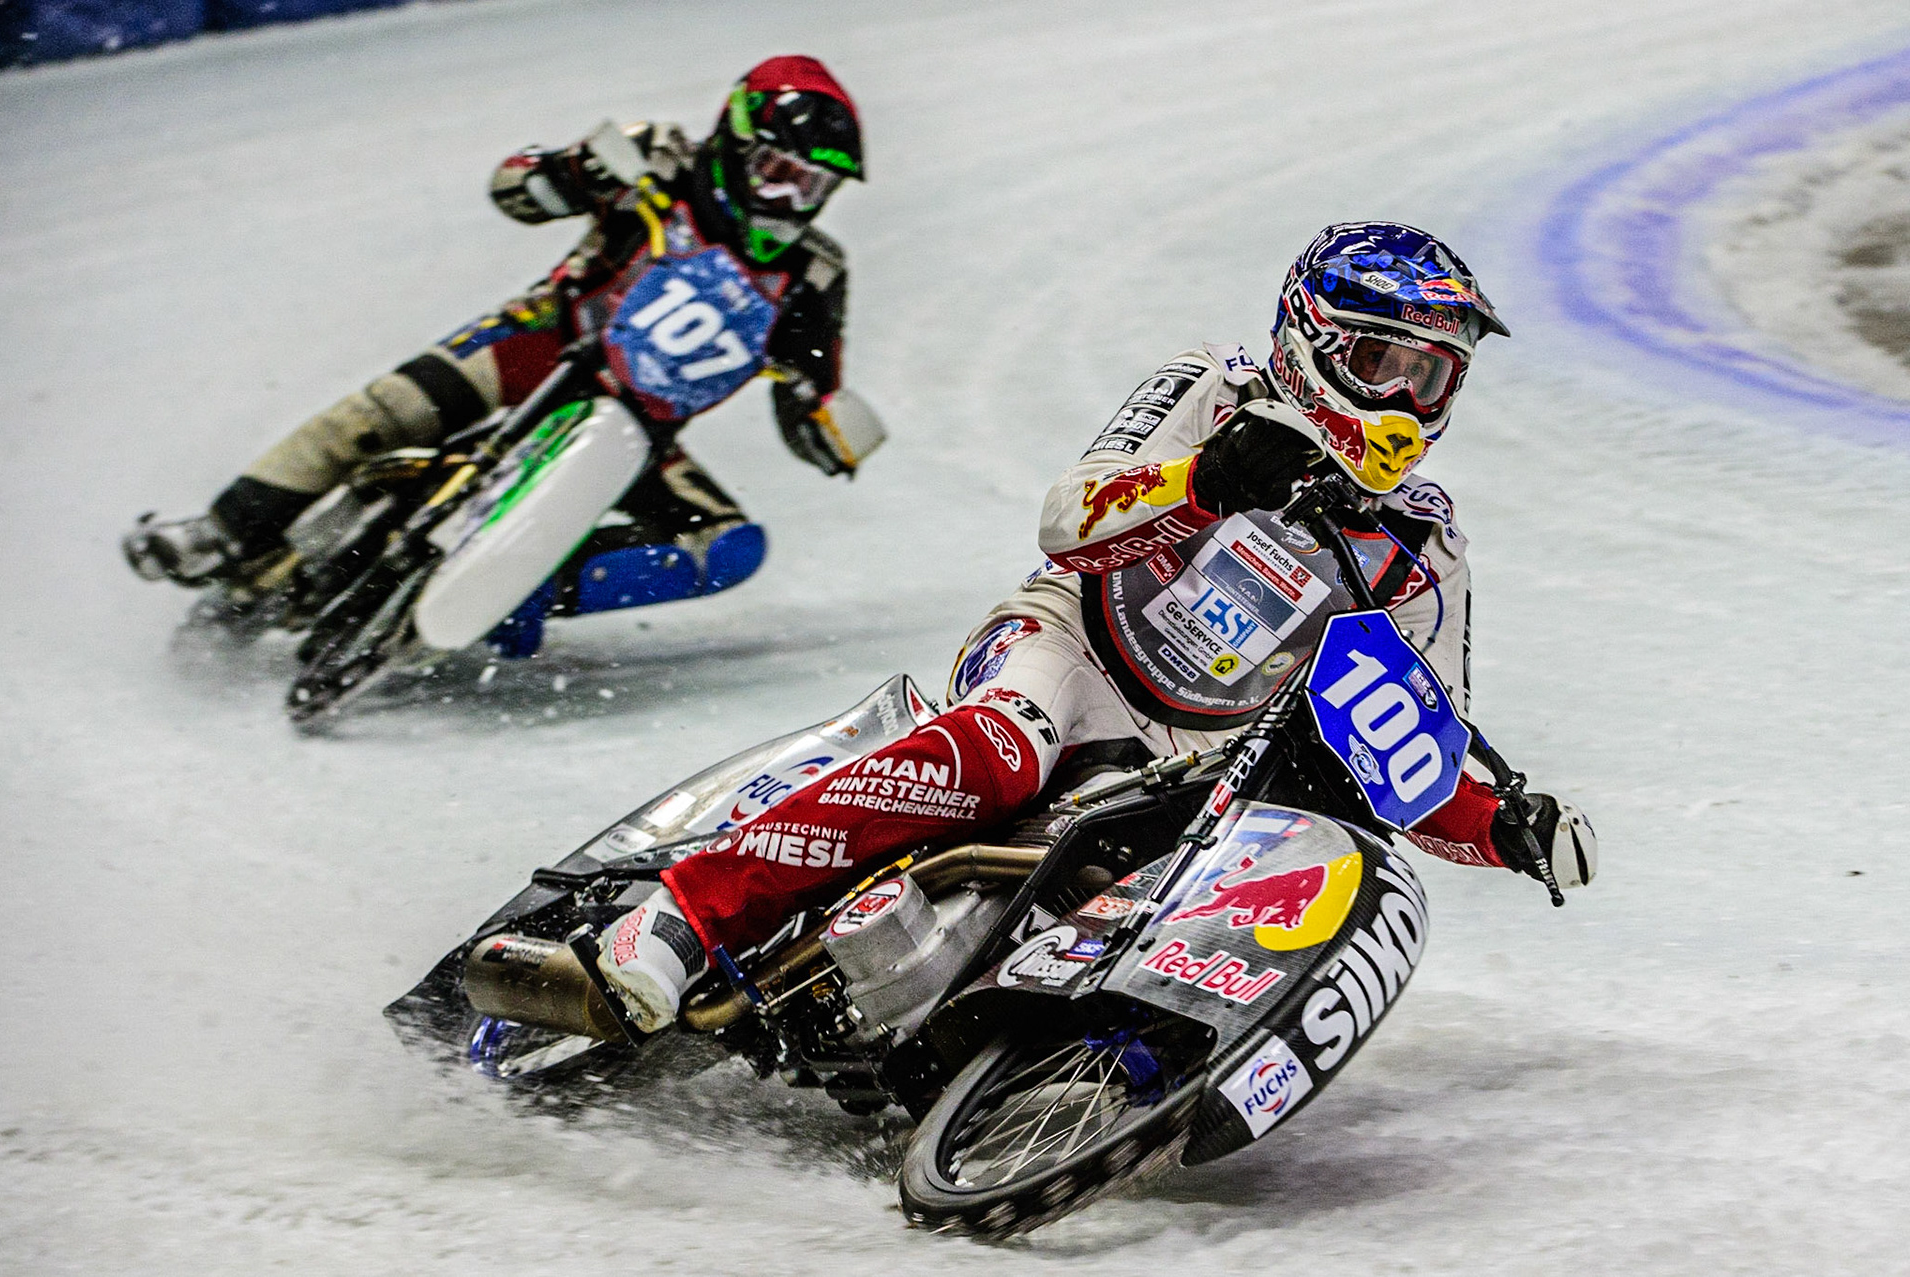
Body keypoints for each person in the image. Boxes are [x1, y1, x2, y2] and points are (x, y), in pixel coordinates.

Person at [588, 221, 1600, 1032]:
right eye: (1384, 362)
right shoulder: (1215, 385)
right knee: (1003, 755)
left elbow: (1411, 739)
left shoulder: (1425, 545)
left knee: (1229, 870)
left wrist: (1503, 826)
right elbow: (1068, 520)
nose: (1405, 401)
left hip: (1202, 749)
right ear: (1315, 340)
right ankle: (688, 911)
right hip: (1073, 644)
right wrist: (1201, 482)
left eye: (1434, 378)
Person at [125, 56, 878, 654]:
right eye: (779, 172)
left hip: (641, 433)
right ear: (736, 140)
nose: (790, 198)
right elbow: (515, 189)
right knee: (386, 412)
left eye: (812, 184)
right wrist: (576, 171)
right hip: (543, 340)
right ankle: (219, 532)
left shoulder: (816, 275)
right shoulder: (661, 158)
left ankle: (525, 586)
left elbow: (811, 384)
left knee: (727, 547)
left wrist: (823, 427)